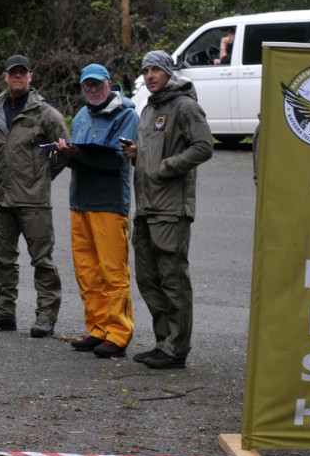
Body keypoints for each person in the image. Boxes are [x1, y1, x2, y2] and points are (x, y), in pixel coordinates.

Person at [120, 50, 214, 369]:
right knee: (148, 279)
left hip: (171, 209)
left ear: (167, 72)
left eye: (155, 70)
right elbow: (152, 149)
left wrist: (167, 166)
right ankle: (163, 341)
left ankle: (177, 349)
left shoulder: (185, 106)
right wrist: (137, 153)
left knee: (173, 279)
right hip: (146, 207)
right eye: (145, 71)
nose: (149, 76)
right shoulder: (149, 109)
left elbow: (204, 146)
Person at [0, 55, 69, 338]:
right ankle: (4, 311)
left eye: (22, 73)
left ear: (30, 76)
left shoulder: (46, 113)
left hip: (34, 200)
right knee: (2, 258)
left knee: (42, 260)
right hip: (2, 198)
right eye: (13, 72)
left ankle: (46, 316)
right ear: (5, 76)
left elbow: (65, 151)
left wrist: (43, 176)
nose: (17, 77)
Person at [55, 64, 138, 358]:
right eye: (86, 85)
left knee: (113, 272)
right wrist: (65, 154)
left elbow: (117, 161)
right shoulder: (80, 115)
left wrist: (79, 155)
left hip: (109, 204)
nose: (92, 89)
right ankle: (99, 327)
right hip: (80, 202)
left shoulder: (126, 114)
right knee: (87, 271)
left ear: (109, 83)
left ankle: (119, 333)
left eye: (97, 84)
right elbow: (82, 159)